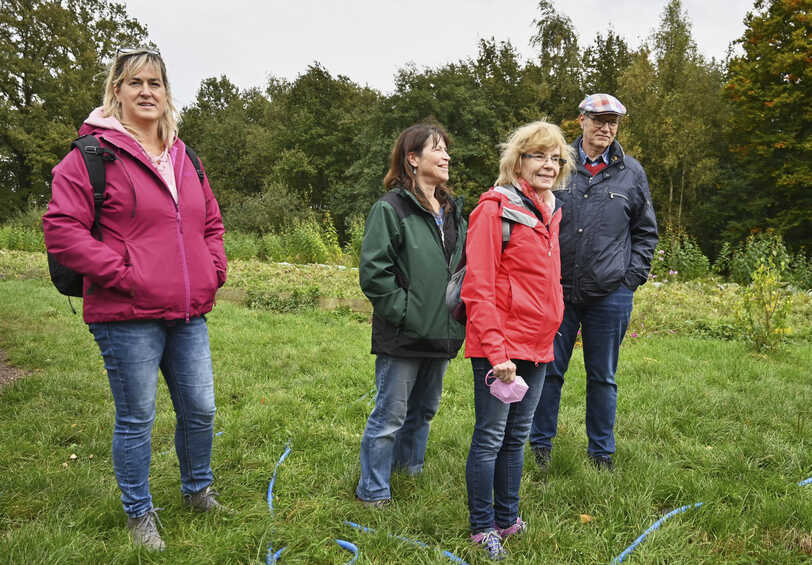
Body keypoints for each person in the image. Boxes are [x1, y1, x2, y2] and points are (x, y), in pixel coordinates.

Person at [42, 47, 227, 551]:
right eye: (135, 83)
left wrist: (215, 268)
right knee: (136, 417)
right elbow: (61, 229)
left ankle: (197, 490)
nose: (146, 91)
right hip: (125, 314)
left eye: (155, 83)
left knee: (201, 408)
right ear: (116, 92)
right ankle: (139, 513)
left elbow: (210, 223)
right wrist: (123, 273)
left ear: (166, 93)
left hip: (188, 310)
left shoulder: (185, 157)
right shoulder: (91, 156)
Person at [462, 121, 574, 560]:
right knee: (490, 437)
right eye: (538, 156)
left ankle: (508, 520)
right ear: (518, 161)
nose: (548, 165)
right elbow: (479, 287)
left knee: (516, 437)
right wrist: (497, 352)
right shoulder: (495, 209)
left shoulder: (550, 210)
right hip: (501, 348)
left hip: (539, 345)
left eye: (555, 158)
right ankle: (480, 527)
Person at [530, 93, 658, 472]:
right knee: (549, 370)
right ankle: (540, 447)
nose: (605, 127)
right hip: (559, 289)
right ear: (581, 120)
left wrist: (630, 279)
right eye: (598, 119)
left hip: (610, 293)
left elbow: (646, 232)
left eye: (612, 122)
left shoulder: (632, 173)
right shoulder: (558, 165)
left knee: (603, 376)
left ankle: (601, 453)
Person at [355, 123, 466, 507]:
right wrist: (405, 313)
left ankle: (409, 475)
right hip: (403, 334)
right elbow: (374, 272)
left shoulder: (453, 212)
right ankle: (373, 491)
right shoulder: (391, 208)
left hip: (443, 330)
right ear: (413, 159)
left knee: (424, 411)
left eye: (447, 149)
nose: (446, 156)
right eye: (437, 149)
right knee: (390, 416)